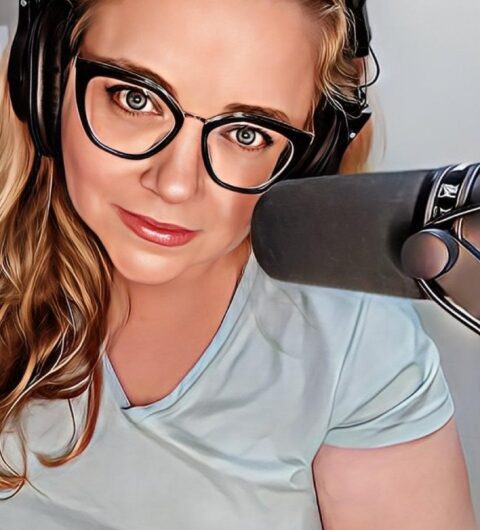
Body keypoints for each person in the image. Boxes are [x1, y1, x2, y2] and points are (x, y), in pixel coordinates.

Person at [0, 0, 476, 528]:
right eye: (135, 98)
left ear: (310, 158)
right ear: (45, 79)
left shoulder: (355, 340)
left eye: (247, 133)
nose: (175, 184)